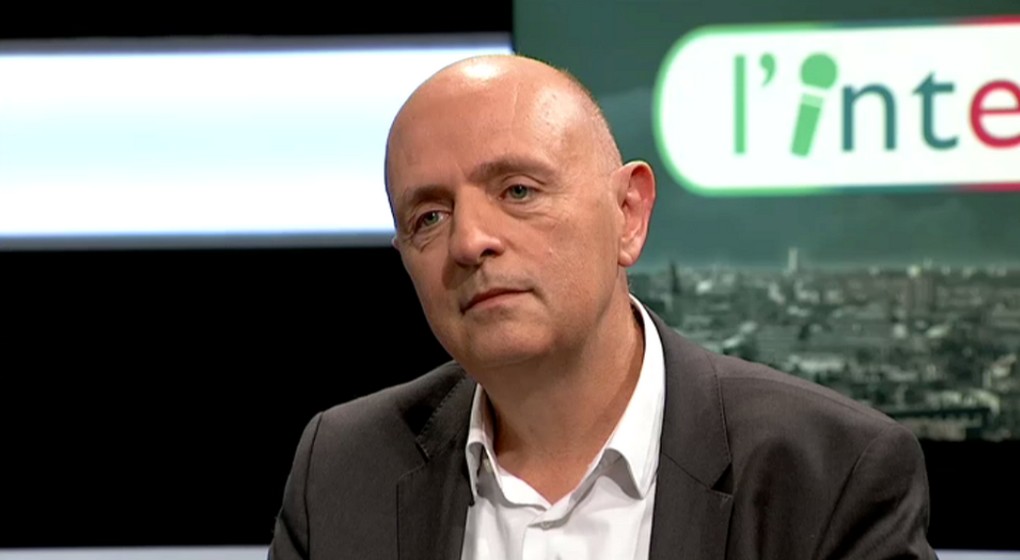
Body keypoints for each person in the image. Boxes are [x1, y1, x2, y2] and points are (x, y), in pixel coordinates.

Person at [269, 54, 936, 559]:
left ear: (629, 214)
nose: (470, 242)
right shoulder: (342, 469)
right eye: (429, 217)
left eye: (519, 191)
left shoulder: (829, 475)